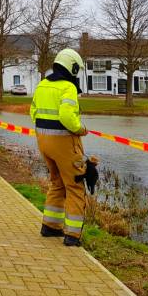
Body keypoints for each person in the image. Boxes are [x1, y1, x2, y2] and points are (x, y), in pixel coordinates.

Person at [30, 48, 92, 247]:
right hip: (65, 143)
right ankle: (72, 235)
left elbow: (33, 112)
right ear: (72, 68)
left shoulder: (42, 85)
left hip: (43, 141)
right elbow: (67, 117)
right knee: (75, 185)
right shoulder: (68, 87)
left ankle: (50, 226)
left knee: (56, 182)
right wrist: (81, 129)